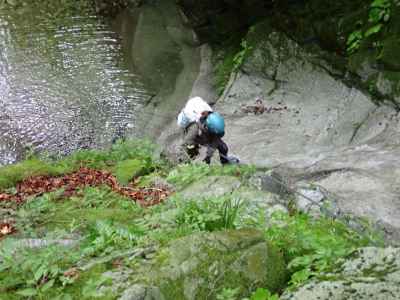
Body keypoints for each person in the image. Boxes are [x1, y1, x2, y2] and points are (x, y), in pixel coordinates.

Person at [177, 96, 230, 164]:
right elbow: (184, 146)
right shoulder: (193, 127)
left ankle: (225, 165)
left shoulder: (212, 116)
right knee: (191, 151)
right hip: (191, 128)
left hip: (202, 123)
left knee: (223, 148)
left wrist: (208, 156)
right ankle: (186, 167)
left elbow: (215, 140)